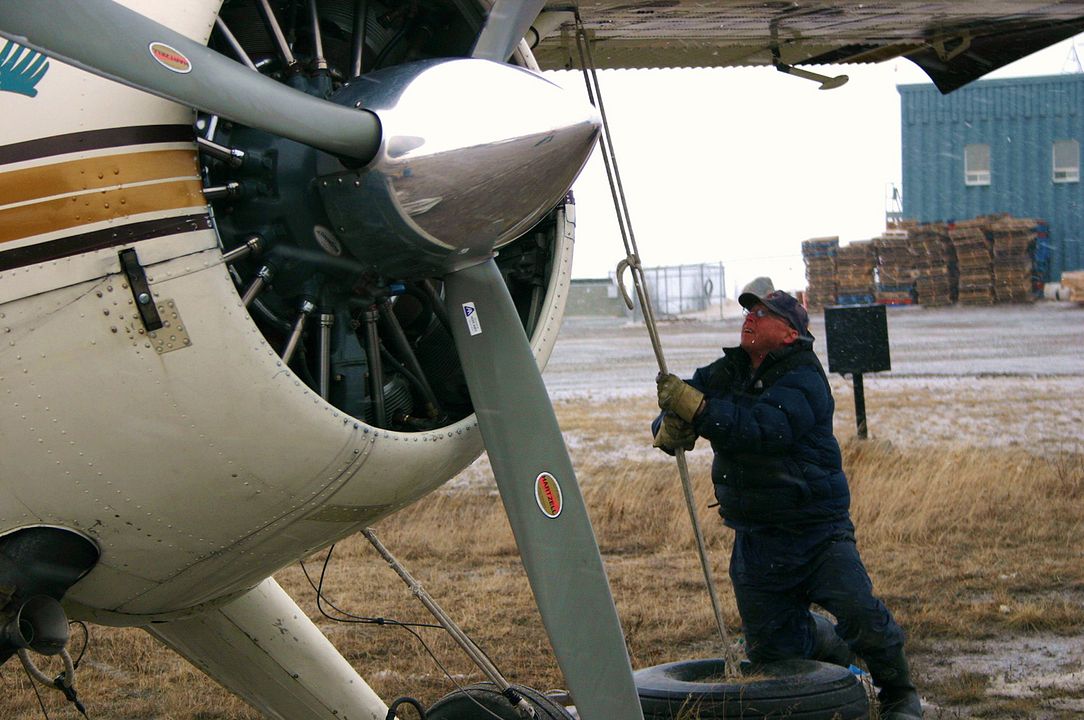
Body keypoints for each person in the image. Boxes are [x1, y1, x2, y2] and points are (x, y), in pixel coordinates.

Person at [651, 289, 922, 720]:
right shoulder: (730, 369)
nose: (749, 319)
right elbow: (682, 399)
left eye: (762, 313)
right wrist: (669, 424)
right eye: (747, 311)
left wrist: (699, 411)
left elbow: (766, 428)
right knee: (773, 654)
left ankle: (900, 695)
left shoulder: (804, 377)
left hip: (817, 531)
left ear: (790, 333)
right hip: (756, 538)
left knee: (861, 615)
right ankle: (823, 640)